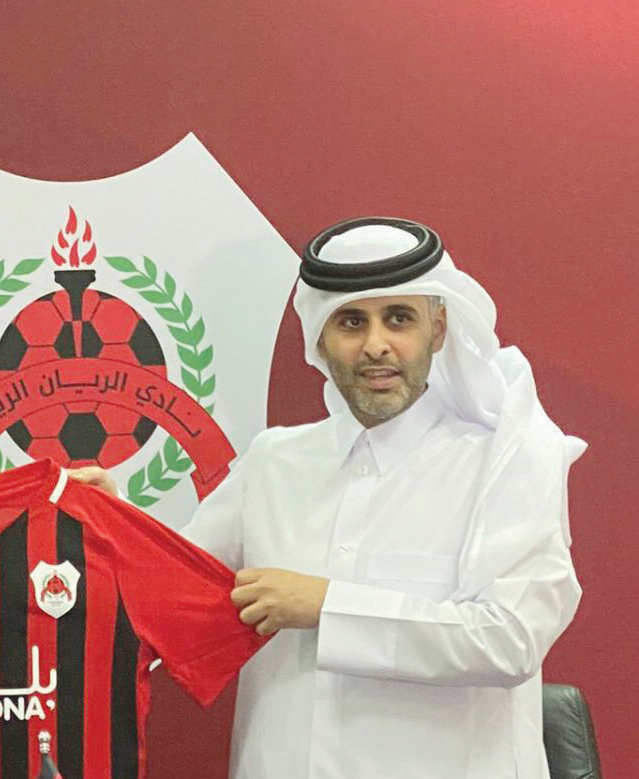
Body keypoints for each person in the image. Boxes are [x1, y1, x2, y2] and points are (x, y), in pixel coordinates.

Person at [72, 216, 584, 778]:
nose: (376, 345)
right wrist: (107, 522)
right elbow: (170, 597)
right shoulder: (274, 463)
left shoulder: (505, 458)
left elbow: (510, 639)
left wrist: (327, 607)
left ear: (438, 330)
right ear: (320, 337)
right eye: (350, 322)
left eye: (399, 318)